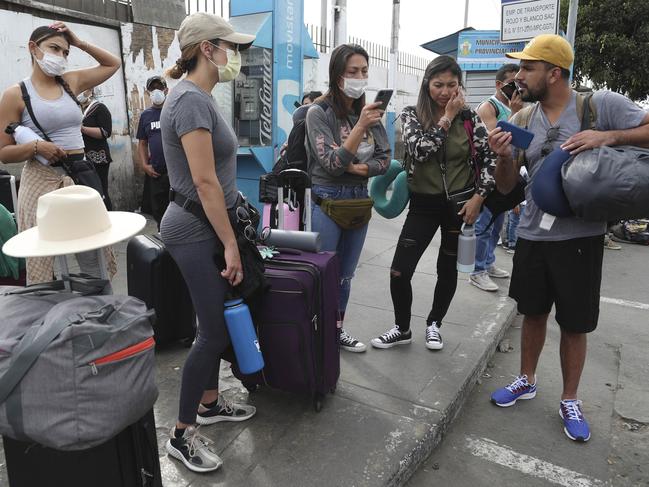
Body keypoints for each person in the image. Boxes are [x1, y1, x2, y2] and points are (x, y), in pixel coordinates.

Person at [488, 34, 649, 442]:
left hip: (581, 236)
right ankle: (526, 378)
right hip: (531, 235)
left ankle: (570, 398)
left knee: (574, 324)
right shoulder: (523, 119)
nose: (519, 76)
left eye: (528, 68)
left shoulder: (598, 106)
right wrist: (503, 158)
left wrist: (608, 136)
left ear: (554, 73)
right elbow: (508, 189)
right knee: (533, 313)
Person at [160, 12, 257, 473]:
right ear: (207, 49)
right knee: (213, 330)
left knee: (212, 320)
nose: (233, 54)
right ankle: (180, 434)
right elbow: (204, 182)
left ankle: (210, 403)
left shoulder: (199, 97)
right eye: (228, 46)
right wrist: (231, 244)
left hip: (206, 225)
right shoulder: (191, 102)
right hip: (195, 229)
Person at [371, 56, 497, 351]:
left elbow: (489, 159)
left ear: (459, 86)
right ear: (427, 84)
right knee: (399, 270)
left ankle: (434, 324)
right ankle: (402, 328)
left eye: (451, 85)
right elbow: (421, 150)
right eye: (438, 84)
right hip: (423, 205)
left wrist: (479, 198)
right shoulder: (411, 114)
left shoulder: (470, 118)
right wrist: (446, 118)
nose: (444, 91)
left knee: (447, 269)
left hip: (460, 207)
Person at [0, 22, 121, 285]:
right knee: (41, 259)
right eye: (54, 48)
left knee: (93, 256)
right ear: (33, 48)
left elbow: (113, 64)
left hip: (78, 176)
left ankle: (99, 313)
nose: (61, 57)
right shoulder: (15, 94)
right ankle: (49, 319)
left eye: (65, 52)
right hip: (40, 178)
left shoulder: (71, 82)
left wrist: (78, 42)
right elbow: (4, 153)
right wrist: (35, 147)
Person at [305, 43, 391, 353]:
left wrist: (361, 168)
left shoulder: (368, 112)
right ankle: (316, 331)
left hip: (358, 201)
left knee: (345, 276)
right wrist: (359, 129)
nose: (359, 77)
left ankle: (336, 329)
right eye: (352, 71)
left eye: (364, 71)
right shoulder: (319, 113)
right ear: (337, 75)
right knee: (323, 273)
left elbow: (385, 159)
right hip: (326, 201)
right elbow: (331, 163)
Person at [469, 63, 522, 292]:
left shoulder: (513, 106)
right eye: (512, 83)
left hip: (505, 174)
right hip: (486, 176)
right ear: (499, 84)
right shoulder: (488, 107)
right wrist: (515, 113)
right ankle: (477, 270)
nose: (516, 87)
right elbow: (495, 139)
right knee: (483, 225)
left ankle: (488, 263)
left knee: (496, 224)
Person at [137, 75, 170, 228]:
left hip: (176, 172)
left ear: (166, 90)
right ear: (148, 92)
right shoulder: (146, 116)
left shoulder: (173, 110)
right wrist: (144, 165)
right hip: (156, 172)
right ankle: (162, 237)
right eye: (152, 88)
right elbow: (142, 143)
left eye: (159, 87)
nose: (156, 91)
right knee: (159, 210)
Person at [79, 87, 113, 210]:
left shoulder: (99, 108)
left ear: (90, 92)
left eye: (84, 90)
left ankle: (108, 216)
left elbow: (105, 132)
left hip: (99, 157)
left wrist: (82, 129)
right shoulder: (76, 109)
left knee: (100, 191)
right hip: (81, 158)